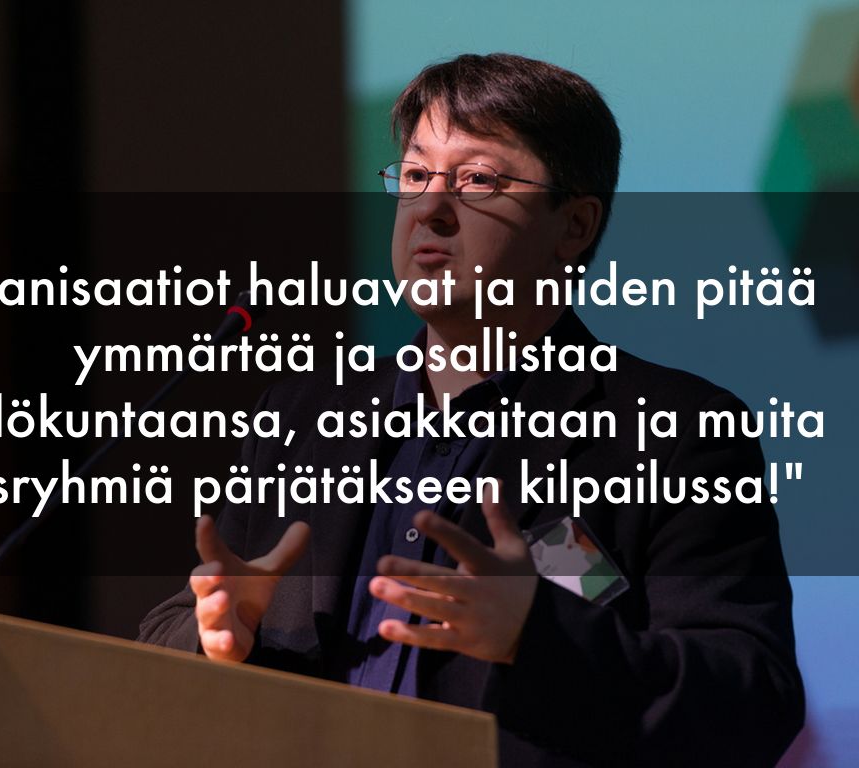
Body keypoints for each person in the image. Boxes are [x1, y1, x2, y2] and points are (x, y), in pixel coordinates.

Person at [139, 53, 804, 766]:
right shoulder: (300, 415)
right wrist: (215, 632)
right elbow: (173, 627)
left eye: (478, 180)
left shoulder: (674, 433)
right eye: (415, 175)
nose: (430, 207)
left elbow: (751, 702)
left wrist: (538, 634)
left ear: (574, 225)